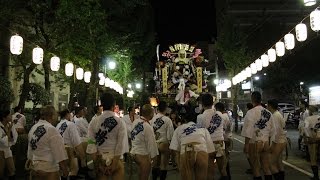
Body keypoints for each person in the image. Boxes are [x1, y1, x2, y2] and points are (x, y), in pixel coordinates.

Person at [87, 93, 128, 180]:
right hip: (116, 159)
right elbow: (120, 145)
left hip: (100, 158)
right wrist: (115, 163)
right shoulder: (120, 122)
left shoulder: (94, 121)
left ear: (101, 105)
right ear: (114, 105)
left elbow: (91, 143)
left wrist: (96, 163)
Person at [26, 105, 68, 180]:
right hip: (49, 168)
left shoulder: (34, 128)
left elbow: (30, 147)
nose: (56, 117)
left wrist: (29, 159)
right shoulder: (51, 129)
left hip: (35, 167)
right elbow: (59, 152)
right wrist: (64, 169)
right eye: (55, 114)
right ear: (52, 116)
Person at [170, 112, 215, 180]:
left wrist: (179, 164)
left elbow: (174, 149)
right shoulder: (203, 129)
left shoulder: (179, 128)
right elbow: (211, 150)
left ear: (184, 120)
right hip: (201, 150)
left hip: (186, 150)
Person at [241, 91, 273, 180]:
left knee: (256, 169)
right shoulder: (268, 113)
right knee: (266, 168)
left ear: (252, 99)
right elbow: (272, 129)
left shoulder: (250, 112)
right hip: (265, 141)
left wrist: (246, 144)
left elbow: (248, 130)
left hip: (254, 142)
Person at [197, 94, 228, 180]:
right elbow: (224, 127)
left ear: (202, 103)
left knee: (210, 171)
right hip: (220, 144)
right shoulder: (219, 114)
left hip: (208, 145)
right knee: (222, 170)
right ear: (213, 102)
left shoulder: (200, 117)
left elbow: (200, 132)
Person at [130, 104, 159, 180]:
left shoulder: (135, 122)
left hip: (134, 152)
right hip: (142, 154)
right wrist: (154, 159)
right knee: (144, 177)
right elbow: (152, 144)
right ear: (150, 113)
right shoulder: (147, 126)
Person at [56, 109, 86, 180]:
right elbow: (77, 143)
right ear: (67, 114)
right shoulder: (71, 124)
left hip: (58, 152)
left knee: (63, 174)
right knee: (74, 169)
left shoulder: (58, 125)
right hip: (68, 152)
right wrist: (83, 158)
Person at [150, 101, 174, 180]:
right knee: (164, 166)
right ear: (166, 109)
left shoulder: (153, 119)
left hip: (154, 143)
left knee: (155, 165)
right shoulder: (167, 120)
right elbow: (170, 135)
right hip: (164, 143)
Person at [267, 99, 286, 180]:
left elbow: (276, 132)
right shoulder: (278, 114)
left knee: (271, 164)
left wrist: (272, 145)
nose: (267, 107)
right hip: (281, 140)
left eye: (267, 105)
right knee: (279, 163)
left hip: (277, 142)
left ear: (270, 106)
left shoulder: (275, 116)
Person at [0, 110, 18, 180]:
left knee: (12, 169)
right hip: (0, 150)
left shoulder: (10, 124)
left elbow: (14, 138)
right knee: (1, 171)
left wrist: (8, 137)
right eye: (9, 115)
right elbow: (3, 142)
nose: (11, 116)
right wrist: (9, 132)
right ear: (4, 118)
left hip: (8, 150)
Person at [303, 105, 320, 180]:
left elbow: (306, 129)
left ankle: (316, 176)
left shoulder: (308, 119)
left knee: (313, 159)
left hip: (313, 139)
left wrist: (308, 137)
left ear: (310, 111)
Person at [218, 103, 233, 180]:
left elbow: (222, 130)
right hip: (229, 137)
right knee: (226, 158)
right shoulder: (227, 115)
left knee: (224, 159)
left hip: (225, 138)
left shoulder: (222, 117)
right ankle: (227, 175)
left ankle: (225, 176)